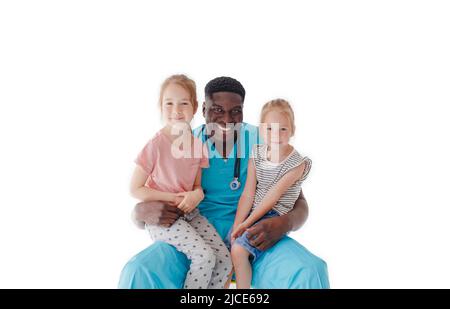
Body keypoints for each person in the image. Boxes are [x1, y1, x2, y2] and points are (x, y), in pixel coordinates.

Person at [119, 76, 329, 289]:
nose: (227, 119)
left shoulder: (265, 138)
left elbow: (298, 200)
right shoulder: (183, 143)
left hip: (254, 238)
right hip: (197, 239)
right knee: (138, 271)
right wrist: (138, 214)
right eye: (217, 110)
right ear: (202, 110)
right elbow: (147, 191)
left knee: (311, 270)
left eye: (235, 110)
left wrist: (286, 223)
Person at [129, 74, 231, 289]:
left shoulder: (197, 146)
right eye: (169, 103)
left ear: (194, 107)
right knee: (204, 256)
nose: (176, 110)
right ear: (160, 106)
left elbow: (196, 187)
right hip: (164, 216)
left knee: (224, 259)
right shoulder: (155, 146)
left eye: (183, 103)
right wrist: (172, 198)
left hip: (191, 213)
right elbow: (135, 188)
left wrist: (197, 195)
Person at [229, 99, 312, 288]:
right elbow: (248, 194)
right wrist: (237, 225)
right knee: (229, 239)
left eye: (283, 129)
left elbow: (271, 198)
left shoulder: (297, 164)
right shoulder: (256, 153)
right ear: (261, 130)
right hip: (255, 210)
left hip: (274, 213)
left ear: (292, 130)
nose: (276, 135)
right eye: (270, 129)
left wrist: (246, 224)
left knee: (238, 250)